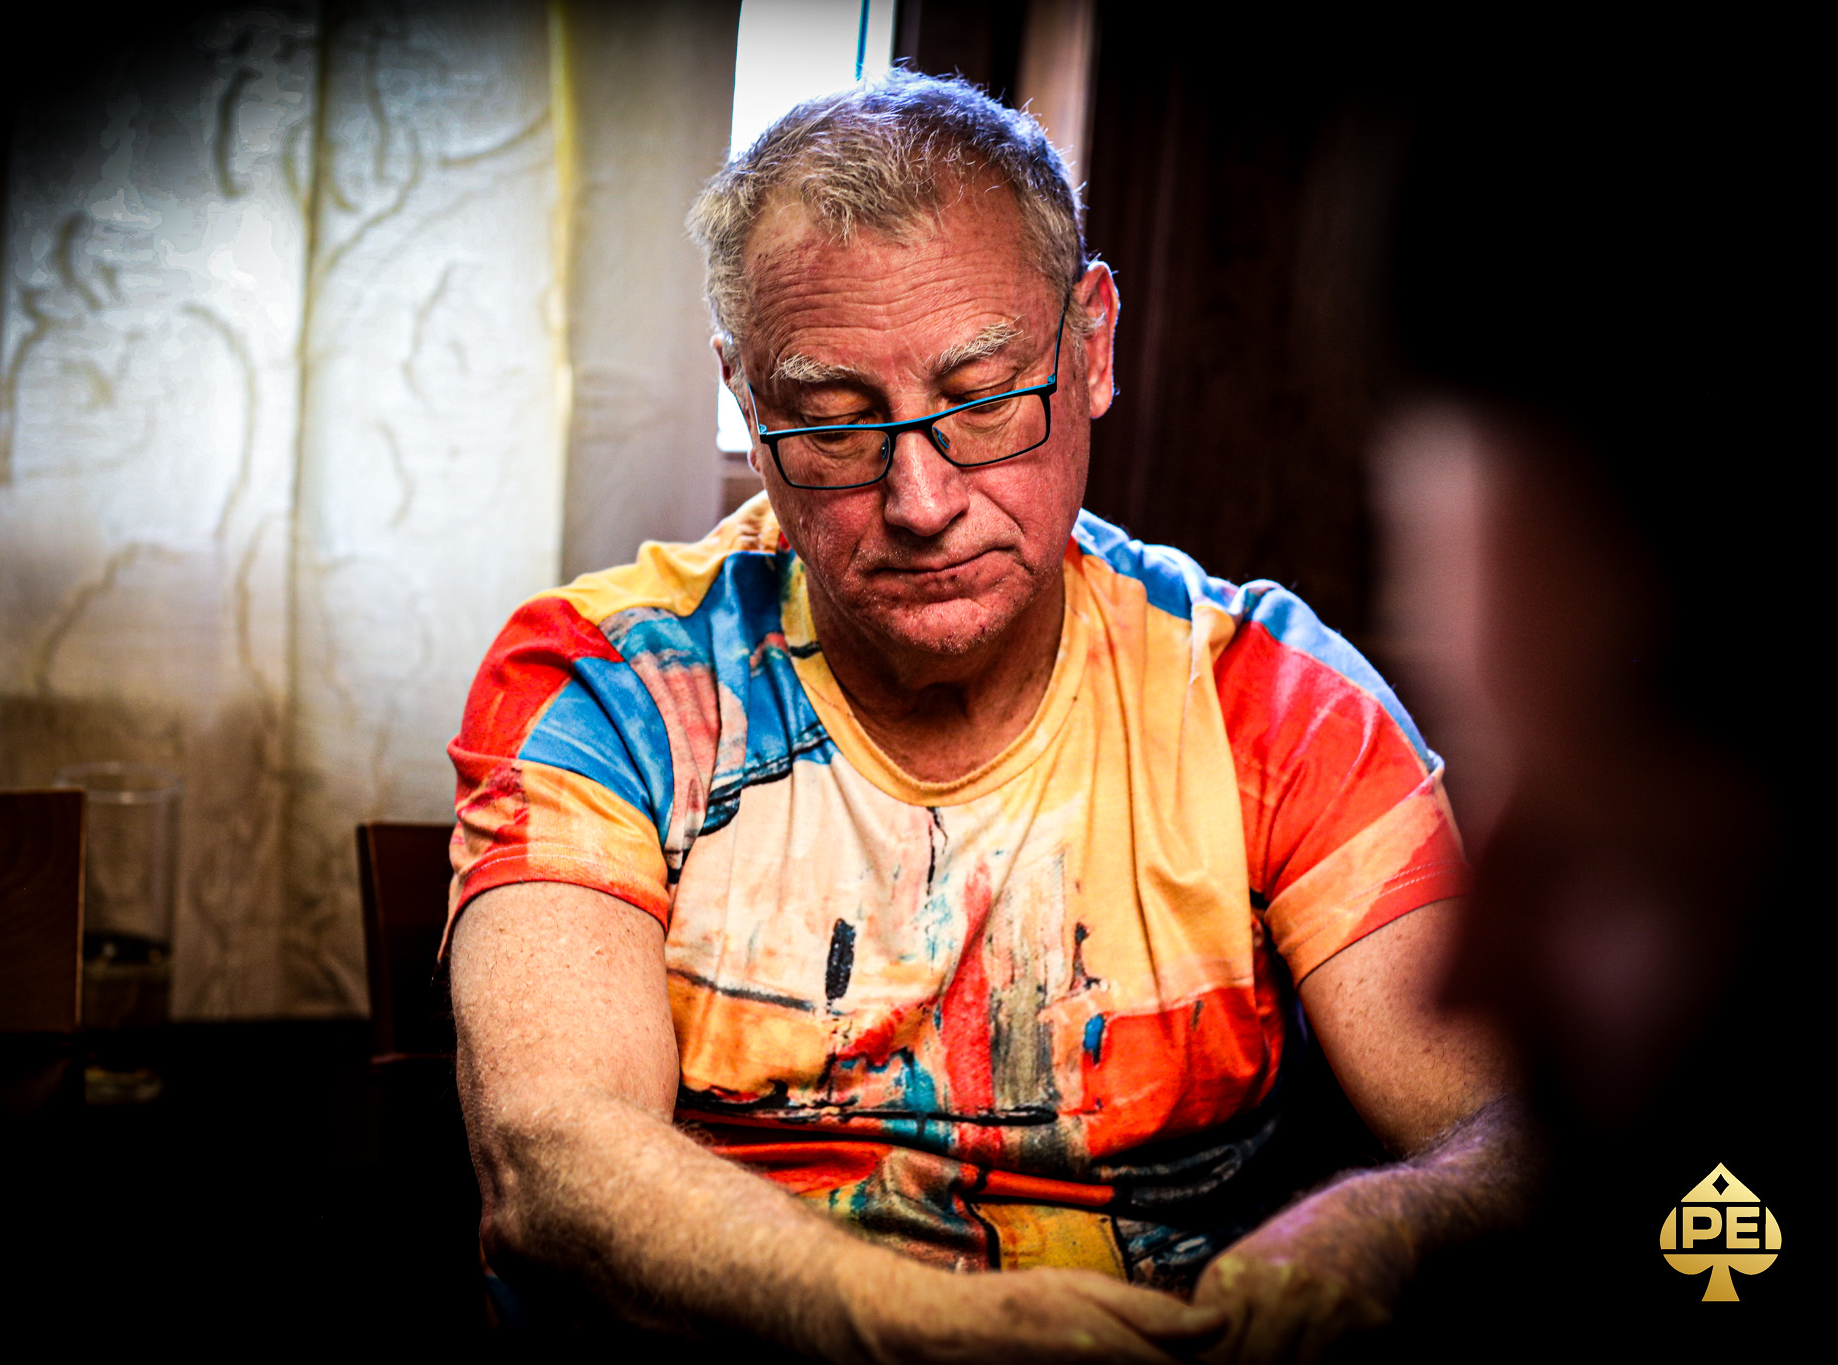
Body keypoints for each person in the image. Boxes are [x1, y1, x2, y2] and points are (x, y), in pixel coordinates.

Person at [444, 73, 1528, 1363]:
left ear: (1093, 345)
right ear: (747, 399)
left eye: (983, 399)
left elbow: (1514, 1123)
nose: (921, 499)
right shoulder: (607, 682)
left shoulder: (1272, 699)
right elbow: (550, 1156)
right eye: (835, 427)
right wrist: (934, 1326)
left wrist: (1388, 1228)